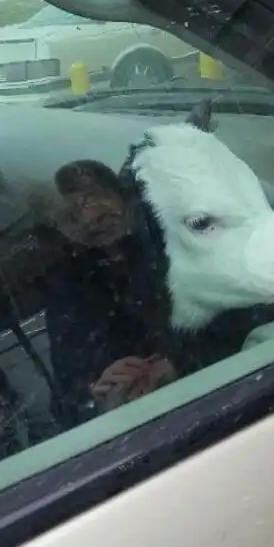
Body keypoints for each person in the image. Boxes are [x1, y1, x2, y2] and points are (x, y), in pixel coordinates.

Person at [45, 160, 176, 427]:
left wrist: (179, 361)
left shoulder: (175, 239)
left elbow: (244, 312)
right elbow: (65, 402)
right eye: (71, 215)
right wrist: (95, 391)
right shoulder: (69, 291)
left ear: (122, 196)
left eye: (94, 199)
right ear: (60, 230)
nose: (90, 219)